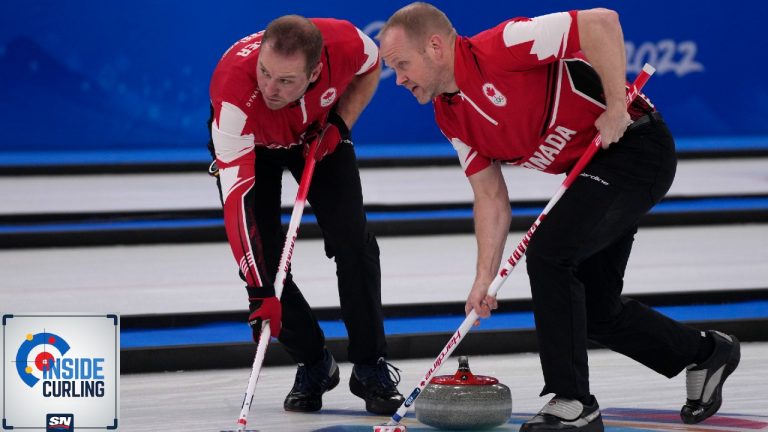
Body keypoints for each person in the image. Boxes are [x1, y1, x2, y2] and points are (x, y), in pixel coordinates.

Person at [378, 3, 740, 431]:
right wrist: (484, 277)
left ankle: (573, 402)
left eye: (402, 65)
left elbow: (601, 22)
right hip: (592, 169)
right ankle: (705, 352)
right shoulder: (450, 117)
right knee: (596, 310)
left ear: (435, 47)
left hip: (635, 148)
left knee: (549, 251)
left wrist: (614, 108)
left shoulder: (503, 47)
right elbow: (490, 196)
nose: (398, 79)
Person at [207, 15, 405, 415]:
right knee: (262, 269)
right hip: (253, 149)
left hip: (318, 134)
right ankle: (314, 364)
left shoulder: (348, 44)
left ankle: (370, 367)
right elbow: (237, 202)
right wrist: (260, 289)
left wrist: (340, 124)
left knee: (354, 242)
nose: (269, 88)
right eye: (264, 72)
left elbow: (371, 69)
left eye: (285, 80)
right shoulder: (233, 94)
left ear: (315, 72)